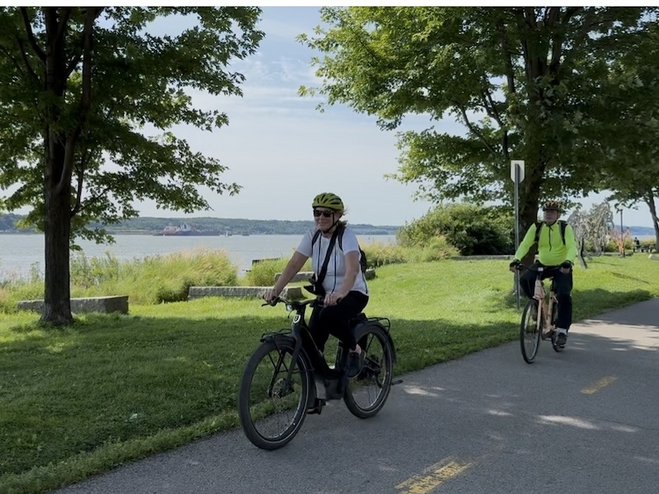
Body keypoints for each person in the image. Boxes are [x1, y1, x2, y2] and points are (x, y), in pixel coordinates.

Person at [263, 192, 369, 378]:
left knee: (329, 316)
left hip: (353, 293)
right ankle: (315, 398)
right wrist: (275, 290)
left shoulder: (347, 236)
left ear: (338, 216)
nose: (320, 218)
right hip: (326, 296)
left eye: (326, 214)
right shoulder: (312, 236)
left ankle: (356, 350)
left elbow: (352, 269)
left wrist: (341, 293)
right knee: (312, 346)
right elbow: (294, 264)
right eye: (316, 213)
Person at [509, 200, 577, 347]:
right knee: (525, 279)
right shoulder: (537, 227)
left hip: (561, 265)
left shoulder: (565, 228)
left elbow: (572, 246)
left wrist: (568, 262)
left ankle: (562, 330)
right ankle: (536, 305)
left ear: (558, 215)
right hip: (543, 264)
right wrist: (516, 259)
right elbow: (525, 244)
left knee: (564, 295)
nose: (549, 215)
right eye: (546, 212)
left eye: (552, 212)